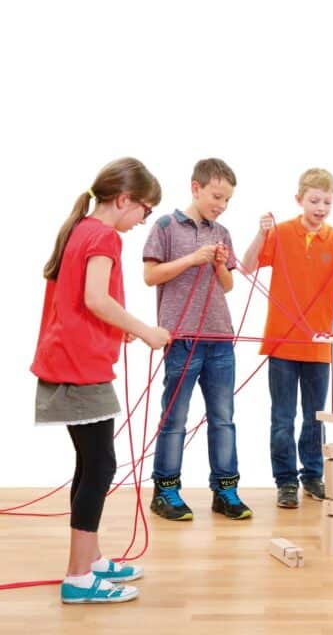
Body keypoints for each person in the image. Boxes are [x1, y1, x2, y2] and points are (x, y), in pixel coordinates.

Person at [31, 157, 169, 604]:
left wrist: (118, 328)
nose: (143, 219)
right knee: (100, 467)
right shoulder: (105, 236)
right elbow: (95, 298)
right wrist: (145, 330)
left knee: (90, 464)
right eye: (145, 209)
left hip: (72, 361)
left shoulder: (81, 229)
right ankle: (78, 577)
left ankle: (89, 560)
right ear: (125, 200)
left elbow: (84, 300)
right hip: (79, 367)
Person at [241, 168, 333, 508]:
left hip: (318, 346)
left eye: (327, 202)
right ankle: (285, 481)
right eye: (314, 201)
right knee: (282, 418)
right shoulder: (280, 233)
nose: (320, 208)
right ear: (299, 199)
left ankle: (312, 475)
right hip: (281, 342)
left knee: (314, 418)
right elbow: (247, 267)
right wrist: (260, 234)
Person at [143, 158, 251, 521]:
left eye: (227, 200)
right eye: (217, 196)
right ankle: (165, 492)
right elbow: (150, 276)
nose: (222, 205)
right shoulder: (165, 226)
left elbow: (227, 285)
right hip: (182, 338)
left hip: (219, 337)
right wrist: (192, 259)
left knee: (223, 418)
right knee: (175, 418)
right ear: (196, 188)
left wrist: (218, 263)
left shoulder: (222, 232)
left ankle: (225, 491)